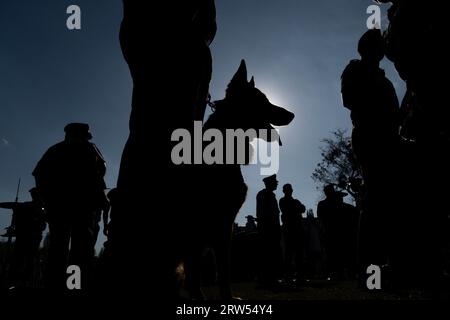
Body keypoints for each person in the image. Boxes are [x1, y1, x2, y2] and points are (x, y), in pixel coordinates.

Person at [341, 29, 400, 276]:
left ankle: (394, 264)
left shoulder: (384, 79)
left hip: (390, 138)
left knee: (392, 200)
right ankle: (368, 268)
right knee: (375, 199)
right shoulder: (355, 70)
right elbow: (350, 100)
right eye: (377, 44)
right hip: (370, 136)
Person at [32, 123, 107, 289]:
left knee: (74, 250)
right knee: (65, 249)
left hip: (79, 208)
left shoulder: (86, 150)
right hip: (68, 208)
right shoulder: (72, 150)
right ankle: (63, 286)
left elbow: (99, 174)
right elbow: (39, 175)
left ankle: (68, 286)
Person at [0, 188, 46, 288]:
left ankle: (23, 281)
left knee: (27, 260)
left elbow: (42, 226)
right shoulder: (27, 206)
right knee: (20, 260)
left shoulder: (40, 209)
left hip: (31, 239)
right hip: (24, 238)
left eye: (35, 194)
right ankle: (16, 281)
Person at [256, 174, 282, 287]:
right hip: (268, 228)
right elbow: (265, 213)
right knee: (268, 252)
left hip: (272, 227)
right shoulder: (264, 194)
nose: (277, 183)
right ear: (269, 183)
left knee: (272, 252)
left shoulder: (269, 194)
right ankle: (266, 278)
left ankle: (271, 277)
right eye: (275, 182)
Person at [279, 184, 305, 283]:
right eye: (287, 190)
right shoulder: (284, 201)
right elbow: (297, 208)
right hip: (290, 230)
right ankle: (288, 275)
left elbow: (302, 209)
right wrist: (297, 207)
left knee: (298, 254)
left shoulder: (294, 201)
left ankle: (298, 275)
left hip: (296, 230)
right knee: (289, 254)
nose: (289, 191)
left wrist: (297, 207)